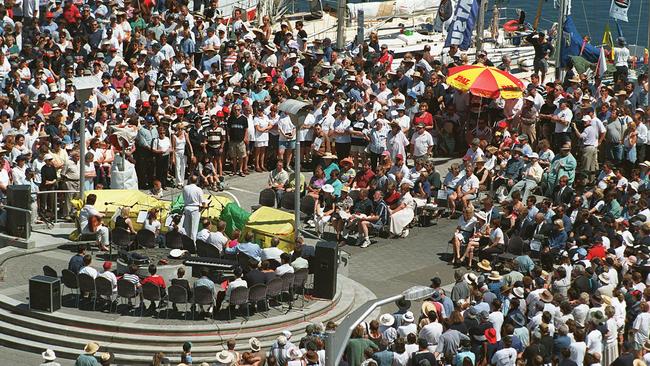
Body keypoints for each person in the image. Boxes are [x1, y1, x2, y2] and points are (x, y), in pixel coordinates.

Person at [182, 175, 208, 241]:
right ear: (197, 181)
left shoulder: (185, 188)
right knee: (194, 230)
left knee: (187, 229)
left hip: (187, 207)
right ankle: (193, 245)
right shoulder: (198, 189)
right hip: (195, 209)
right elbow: (203, 202)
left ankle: (187, 244)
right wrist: (205, 205)